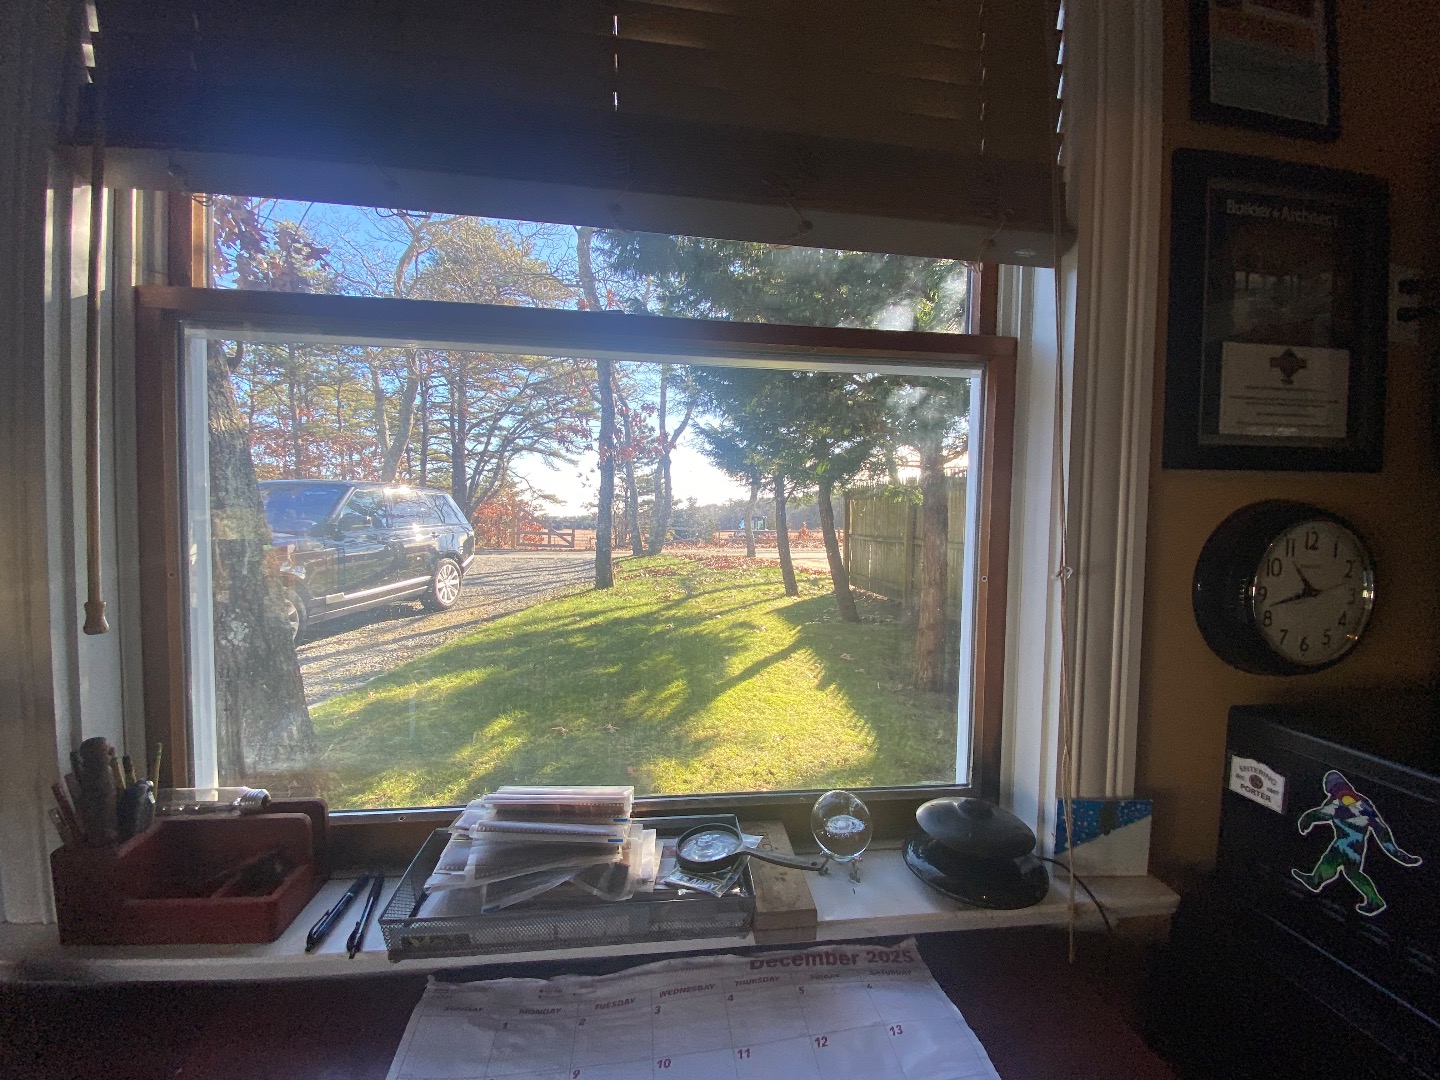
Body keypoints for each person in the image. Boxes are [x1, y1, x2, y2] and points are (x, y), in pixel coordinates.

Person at [1291, 769, 1422, 916]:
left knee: (1331, 861)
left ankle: (1315, 881)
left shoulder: (1336, 802)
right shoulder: (1363, 802)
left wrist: (1306, 819)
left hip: (1344, 843)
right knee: (1352, 872)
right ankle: (1375, 901)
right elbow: (1381, 830)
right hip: (1357, 846)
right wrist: (1398, 853)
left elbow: (1320, 813)